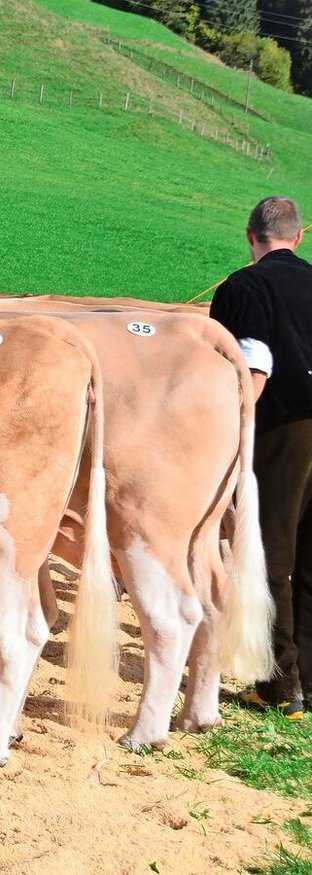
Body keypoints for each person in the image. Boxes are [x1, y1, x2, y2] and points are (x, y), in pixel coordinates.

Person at [210, 195, 312, 721]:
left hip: (279, 428)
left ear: (250, 236)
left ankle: (279, 684)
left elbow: (253, 367)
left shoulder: (244, 287)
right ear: (299, 237)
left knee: (272, 552)